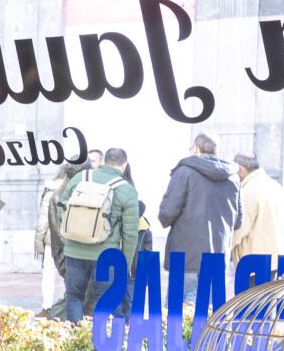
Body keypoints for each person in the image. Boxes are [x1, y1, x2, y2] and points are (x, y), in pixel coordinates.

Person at [55, 147, 140, 322]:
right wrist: (124, 263)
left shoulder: (81, 178)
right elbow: (130, 234)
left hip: (74, 251)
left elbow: (60, 210)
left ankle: (75, 340)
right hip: (106, 255)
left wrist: (69, 239)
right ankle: (101, 343)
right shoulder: (126, 190)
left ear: (103, 162)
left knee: (74, 296)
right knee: (105, 299)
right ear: (124, 165)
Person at [157, 133, 244, 296]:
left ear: (196, 149)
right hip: (218, 258)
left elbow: (167, 212)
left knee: (179, 315)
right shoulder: (233, 177)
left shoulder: (184, 172)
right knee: (211, 315)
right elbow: (239, 221)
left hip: (185, 258)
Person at [36, 154, 83, 315]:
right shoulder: (82, 187)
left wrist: (38, 242)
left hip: (52, 239)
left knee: (49, 273)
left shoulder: (52, 189)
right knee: (71, 274)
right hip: (74, 239)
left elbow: (43, 219)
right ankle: (65, 306)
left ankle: (47, 307)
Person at [231, 153, 284, 266]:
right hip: (277, 261)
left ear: (241, 170)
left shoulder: (248, 192)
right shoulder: (276, 187)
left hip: (255, 265)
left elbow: (239, 230)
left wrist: (221, 248)